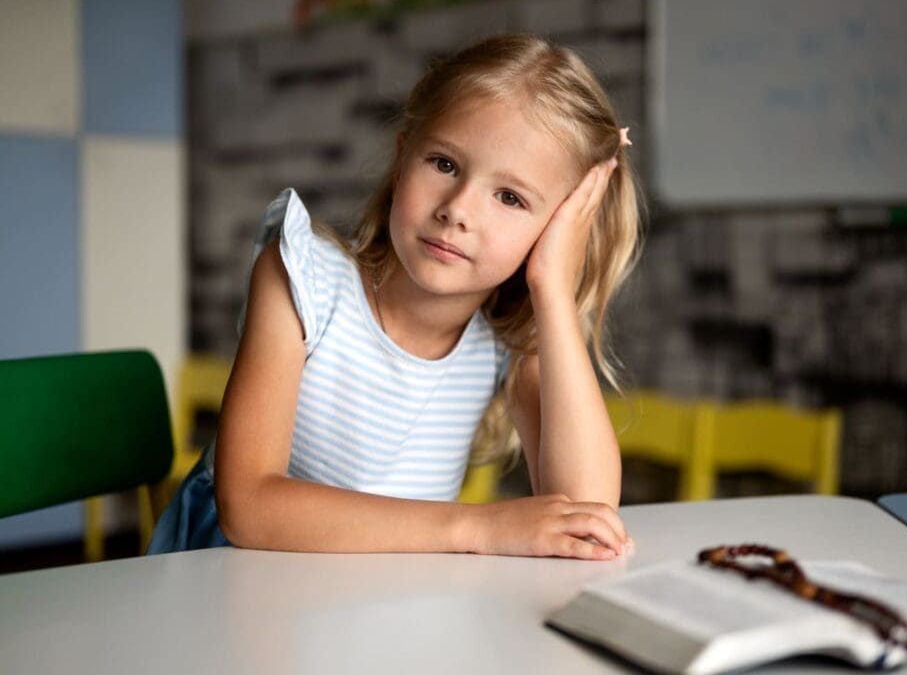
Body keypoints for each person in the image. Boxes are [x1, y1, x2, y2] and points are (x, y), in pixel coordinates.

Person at [149, 33, 643, 561]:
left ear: (557, 229)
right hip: (233, 584)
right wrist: (477, 529)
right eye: (445, 164)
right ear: (403, 155)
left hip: (376, 599)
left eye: (510, 197)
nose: (458, 209)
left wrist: (554, 291)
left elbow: (588, 513)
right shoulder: (302, 279)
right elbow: (248, 506)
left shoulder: (508, 340)